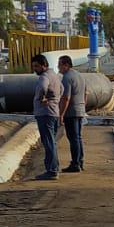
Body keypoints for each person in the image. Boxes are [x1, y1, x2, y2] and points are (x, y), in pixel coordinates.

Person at [31, 53, 62, 181]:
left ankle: (52, 170)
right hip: (53, 111)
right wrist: (55, 100)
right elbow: (63, 89)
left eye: (37, 66)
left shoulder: (44, 77)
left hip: (45, 113)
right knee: (52, 141)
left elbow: (43, 87)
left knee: (48, 142)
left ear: (44, 65)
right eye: (33, 66)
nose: (35, 69)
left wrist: (42, 97)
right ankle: (54, 167)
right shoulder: (54, 75)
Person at [57, 54, 87, 173]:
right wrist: (83, 106)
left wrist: (61, 114)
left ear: (66, 65)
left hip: (71, 112)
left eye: (59, 65)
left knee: (73, 138)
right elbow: (86, 93)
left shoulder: (67, 77)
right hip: (80, 110)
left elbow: (66, 98)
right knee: (78, 137)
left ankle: (75, 163)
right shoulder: (79, 75)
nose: (58, 67)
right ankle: (80, 161)